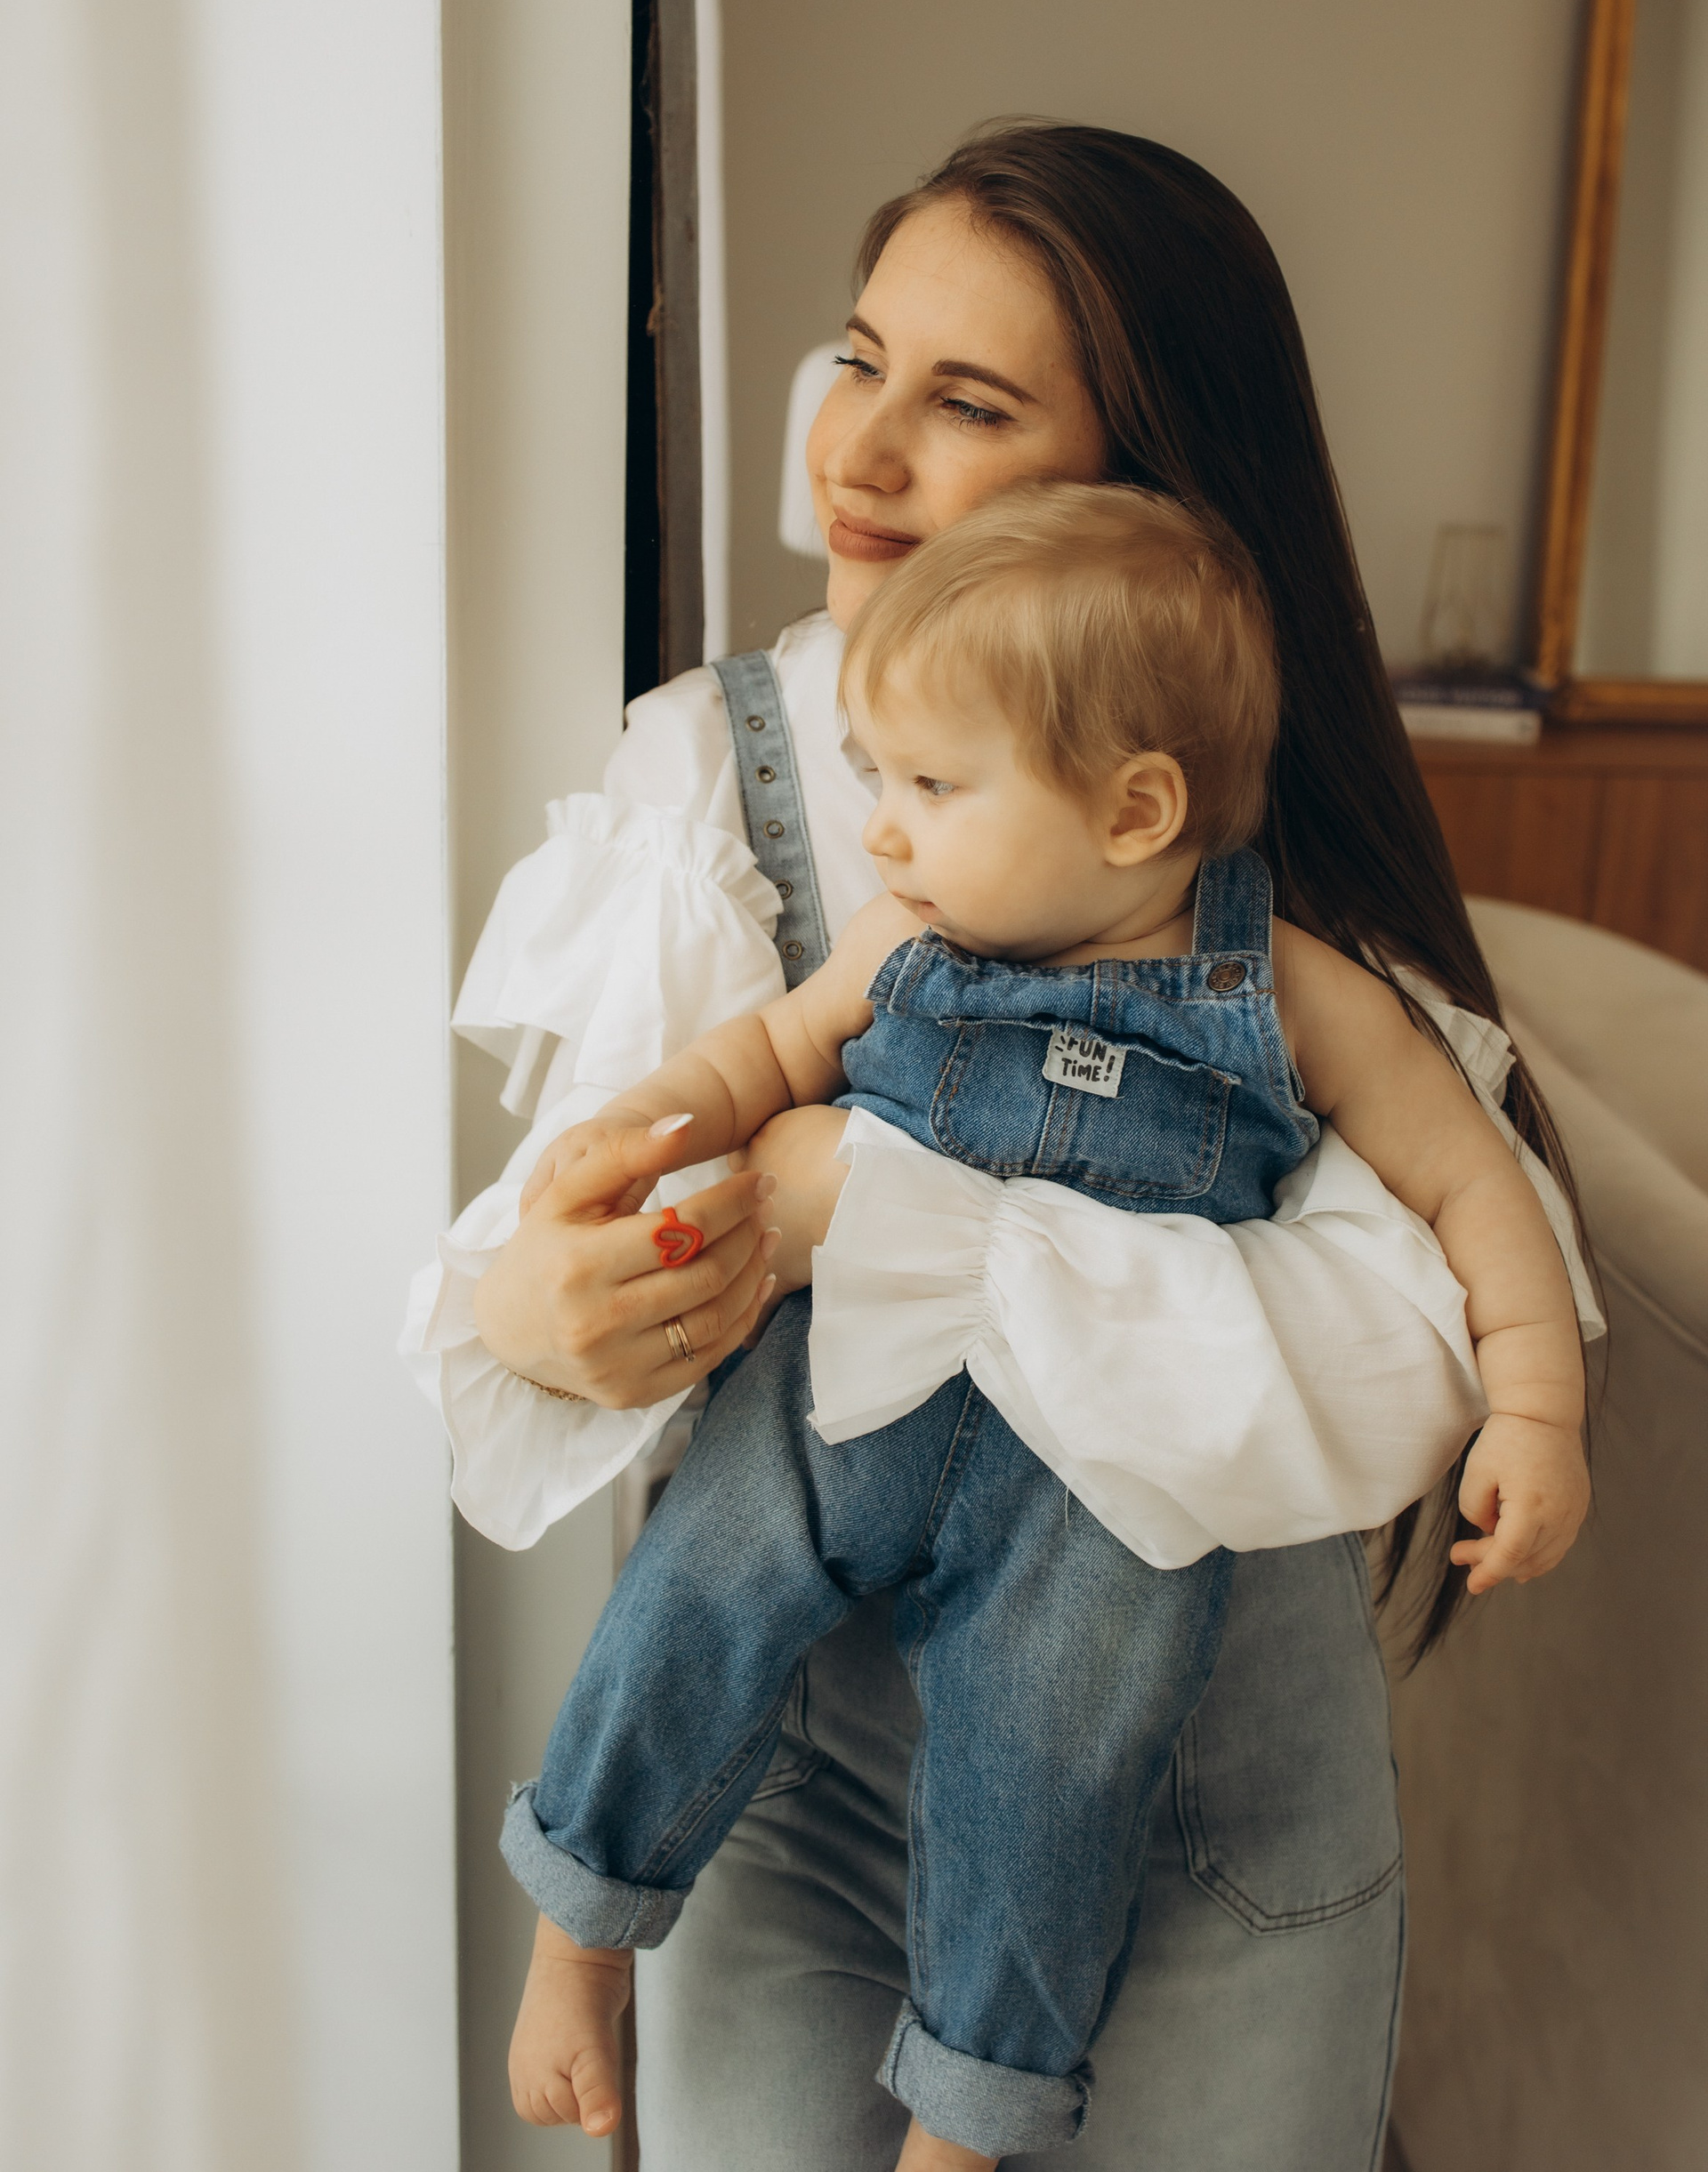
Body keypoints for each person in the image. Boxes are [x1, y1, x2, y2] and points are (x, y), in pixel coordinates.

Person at [402, 124, 1601, 2171]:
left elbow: (1403, 1343)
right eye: (860, 362)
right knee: (712, 1557)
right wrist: (530, 1300)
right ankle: (580, 1914)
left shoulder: (1265, 896)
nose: (856, 453)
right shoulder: (716, 781)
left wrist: (874, 1208)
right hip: (796, 1800)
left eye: (967, 404)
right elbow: (647, 1165)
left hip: (1208, 1816)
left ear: (1143, 488)